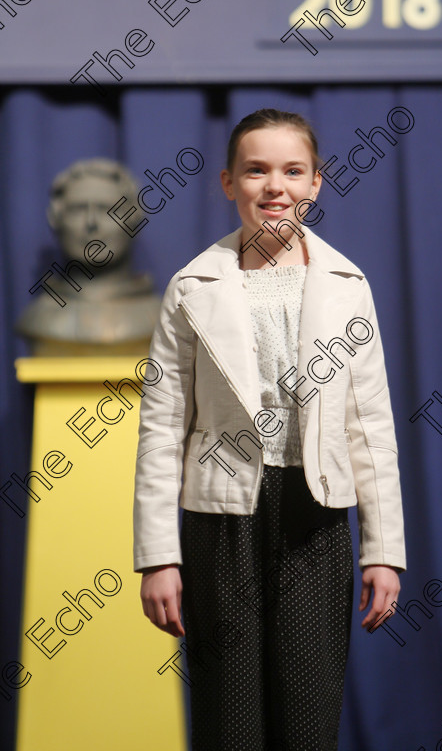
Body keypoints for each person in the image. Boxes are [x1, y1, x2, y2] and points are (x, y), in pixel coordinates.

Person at [133, 108, 406, 751]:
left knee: (308, 718)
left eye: (293, 171)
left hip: (315, 516)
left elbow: (370, 424)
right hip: (220, 518)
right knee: (230, 718)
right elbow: (162, 426)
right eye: (256, 170)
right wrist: (157, 555)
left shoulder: (346, 286)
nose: (274, 186)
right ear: (229, 183)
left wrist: (383, 549)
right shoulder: (192, 287)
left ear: (317, 183)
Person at [17, 158, 160, 354]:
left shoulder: (161, 318)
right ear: (55, 219)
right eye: (77, 210)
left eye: (109, 211)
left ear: (134, 220)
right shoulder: (38, 317)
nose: (91, 223)